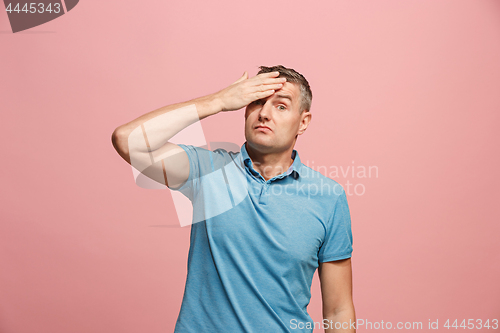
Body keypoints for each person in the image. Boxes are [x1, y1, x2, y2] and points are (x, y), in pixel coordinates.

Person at [111, 65, 356, 333]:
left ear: (304, 122)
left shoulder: (328, 197)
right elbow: (127, 140)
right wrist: (218, 101)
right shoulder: (209, 170)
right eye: (256, 102)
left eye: (281, 106)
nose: (264, 113)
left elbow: (338, 309)